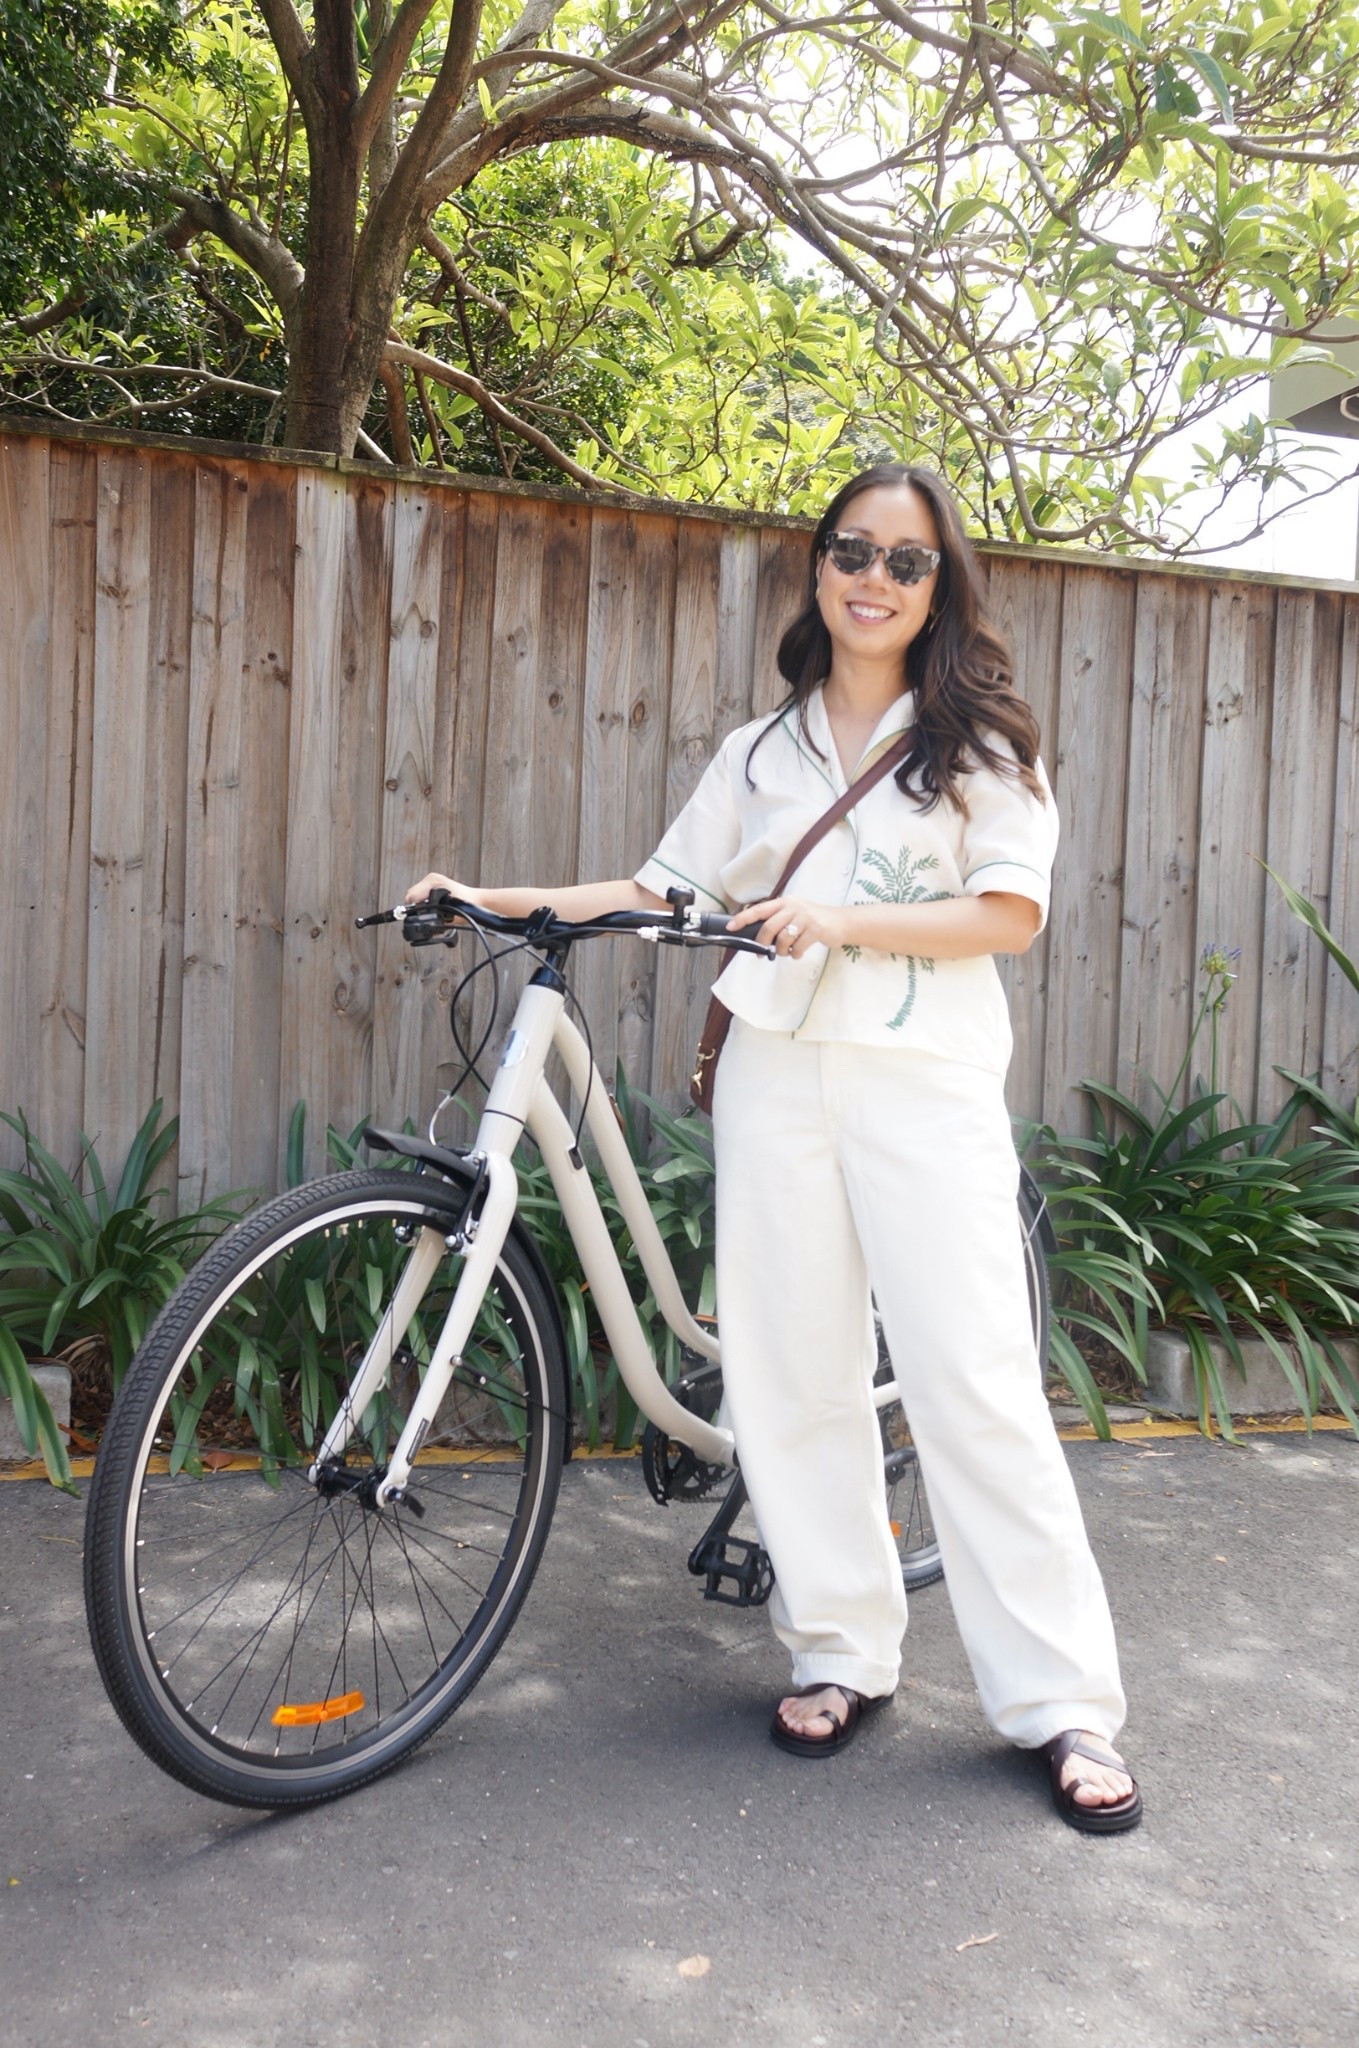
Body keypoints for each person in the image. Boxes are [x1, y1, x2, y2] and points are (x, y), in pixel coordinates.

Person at [407, 461, 1140, 1833]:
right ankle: (841, 1651)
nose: (875, 577)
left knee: (971, 1383)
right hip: (778, 1076)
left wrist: (843, 920)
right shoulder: (759, 754)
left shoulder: (980, 746)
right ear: (818, 569)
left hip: (922, 1081)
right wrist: (486, 893)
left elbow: (1005, 917)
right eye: (853, 551)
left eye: (907, 561)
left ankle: (1063, 1704)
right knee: (793, 1378)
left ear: (940, 587)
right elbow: (655, 888)